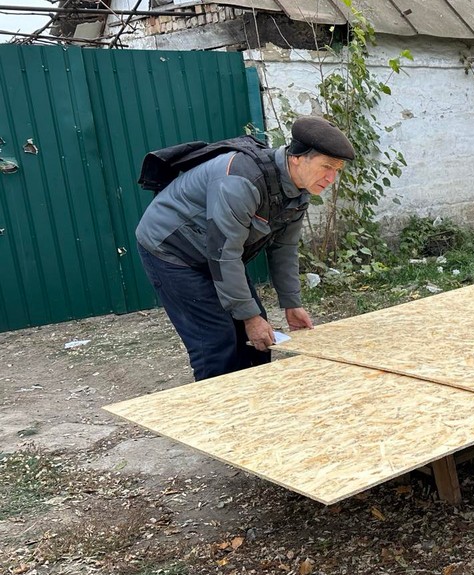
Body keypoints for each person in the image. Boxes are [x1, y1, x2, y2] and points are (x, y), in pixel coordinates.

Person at [135, 116, 356, 381]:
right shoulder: (241, 180)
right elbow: (224, 253)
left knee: (261, 337)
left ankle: (253, 406)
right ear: (297, 157)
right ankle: (218, 415)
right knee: (216, 340)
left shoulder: (299, 191)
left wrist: (291, 303)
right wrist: (249, 317)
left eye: (337, 169)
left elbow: (284, 248)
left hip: (214, 250)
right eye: (326, 166)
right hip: (171, 249)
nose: (331, 178)